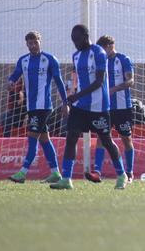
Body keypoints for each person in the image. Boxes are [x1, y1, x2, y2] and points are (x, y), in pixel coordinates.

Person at [50, 25, 128, 190]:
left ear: (86, 36)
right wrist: (70, 98)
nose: (75, 43)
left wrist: (77, 95)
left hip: (99, 107)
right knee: (71, 137)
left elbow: (99, 81)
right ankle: (66, 179)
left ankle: (122, 175)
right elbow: (77, 80)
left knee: (106, 141)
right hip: (80, 107)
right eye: (73, 41)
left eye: (77, 39)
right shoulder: (76, 56)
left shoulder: (98, 52)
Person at [7, 31, 67, 184]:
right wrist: (10, 82)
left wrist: (66, 104)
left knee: (32, 137)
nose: (33, 46)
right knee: (44, 139)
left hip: (44, 107)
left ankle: (22, 173)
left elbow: (59, 82)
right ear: (26, 44)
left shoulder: (50, 59)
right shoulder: (23, 60)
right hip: (31, 106)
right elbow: (14, 76)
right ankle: (55, 173)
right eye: (30, 43)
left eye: (36, 42)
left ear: (41, 41)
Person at [87, 35, 136, 184]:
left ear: (110, 46)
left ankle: (129, 172)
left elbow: (131, 80)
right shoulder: (100, 61)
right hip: (105, 107)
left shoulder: (123, 59)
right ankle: (97, 172)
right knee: (102, 138)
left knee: (126, 139)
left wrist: (114, 89)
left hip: (122, 107)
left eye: (103, 49)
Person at [1, 73, 26, 138]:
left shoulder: (30, 85)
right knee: (5, 118)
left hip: (27, 110)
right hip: (16, 112)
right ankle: (6, 140)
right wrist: (18, 98)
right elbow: (13, 104)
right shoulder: (15, 87)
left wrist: (22, 99)